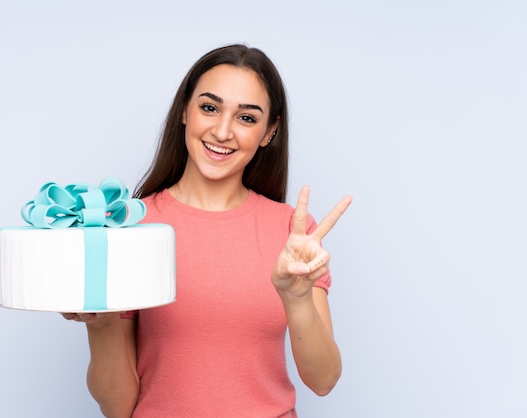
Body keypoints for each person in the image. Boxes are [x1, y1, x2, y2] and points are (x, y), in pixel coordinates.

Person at [62, 43, 352, 417]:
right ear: (185, 110)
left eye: (247, 118)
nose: (223, 130)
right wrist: (100, 325)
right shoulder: (132, 228)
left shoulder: (293, 236)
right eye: (209, 108)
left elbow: (323, 380)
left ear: (269, 132)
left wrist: (296, 300)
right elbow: (118, 407)